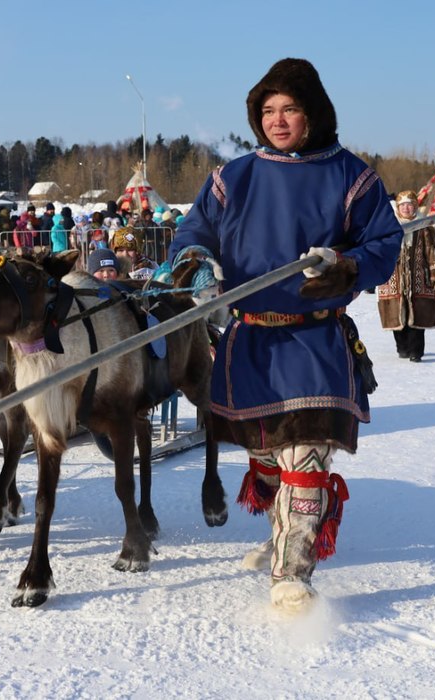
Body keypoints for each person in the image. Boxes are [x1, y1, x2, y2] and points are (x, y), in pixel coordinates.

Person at [167, 58, 402, 613]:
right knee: (269, 455)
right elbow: (194, 228)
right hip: (250, 339)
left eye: (289, 108)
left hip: (314, 340)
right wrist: (195, 258)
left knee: (305, 459)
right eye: (267, 110)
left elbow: (384, 245)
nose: (277, 120)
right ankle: (278, 535)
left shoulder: (353, 176)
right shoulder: (234, 177)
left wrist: (344, 264)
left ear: (312, 113)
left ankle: (292, 575)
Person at [376, 191, 435, 362]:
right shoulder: (389, 227)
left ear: (415, 206)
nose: (406, 208)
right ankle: (402, 348)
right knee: (396, 316)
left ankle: (416, 351)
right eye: (402, 205)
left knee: (418, 316)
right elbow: (378, 250)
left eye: (410, 204)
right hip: (393, 278)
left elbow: (433, 250)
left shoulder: (424, 225)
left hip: (419, 277)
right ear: (397, 208)